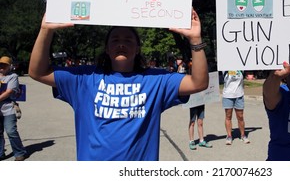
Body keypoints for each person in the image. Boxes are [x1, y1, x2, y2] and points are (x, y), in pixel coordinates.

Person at [28, 9, 209, 161]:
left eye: (128, 40)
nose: (121, 44)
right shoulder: (84, 79)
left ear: (138, 48)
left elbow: (198, 82)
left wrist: (195, 40)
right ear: (106, 48)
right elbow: (38, 72)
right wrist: (46, 30)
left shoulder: (156, 80)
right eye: (115, 40)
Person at [0, 56, 28, 161]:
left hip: (8, 108)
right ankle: (0, 153)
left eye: (5, 64)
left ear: (10, 66)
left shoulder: (13, 76)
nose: (2, 66)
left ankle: (20, 152)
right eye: (1, 64)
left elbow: (9, 92)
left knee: (11, 131)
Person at [222, 70, 250, 145]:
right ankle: (229, 136)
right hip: (228, 95)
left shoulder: (240, 67)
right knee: (228, 116)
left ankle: (243, 135)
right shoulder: (224, 67)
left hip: (239, 95)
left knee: (240, 116)